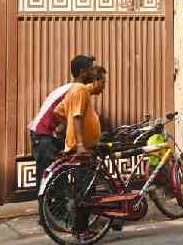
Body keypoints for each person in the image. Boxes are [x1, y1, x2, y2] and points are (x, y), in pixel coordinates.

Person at [28, 54, 95, 200]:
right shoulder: (78, 89)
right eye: (91, 70)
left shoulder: (72, 87)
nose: (93, 74)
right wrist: (78, 141)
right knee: (49, 181)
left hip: (45, 134)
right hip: (43, 135)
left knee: (54, 177)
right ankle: (47, 219)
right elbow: (66, 114)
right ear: (83, 72)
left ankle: (55, 215)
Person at [53, 66, 109, 237]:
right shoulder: (80, 91)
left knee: (84, 189)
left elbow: (58, 111)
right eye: (103, 82)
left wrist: (68, 126)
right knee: (85, 191)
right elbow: (77, 116)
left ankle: (81, 229)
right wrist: (80, 143)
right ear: (94, 79)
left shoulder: (77, 89)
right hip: (83, 148)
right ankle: (81, 230)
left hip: (81, 146)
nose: (104, 87)